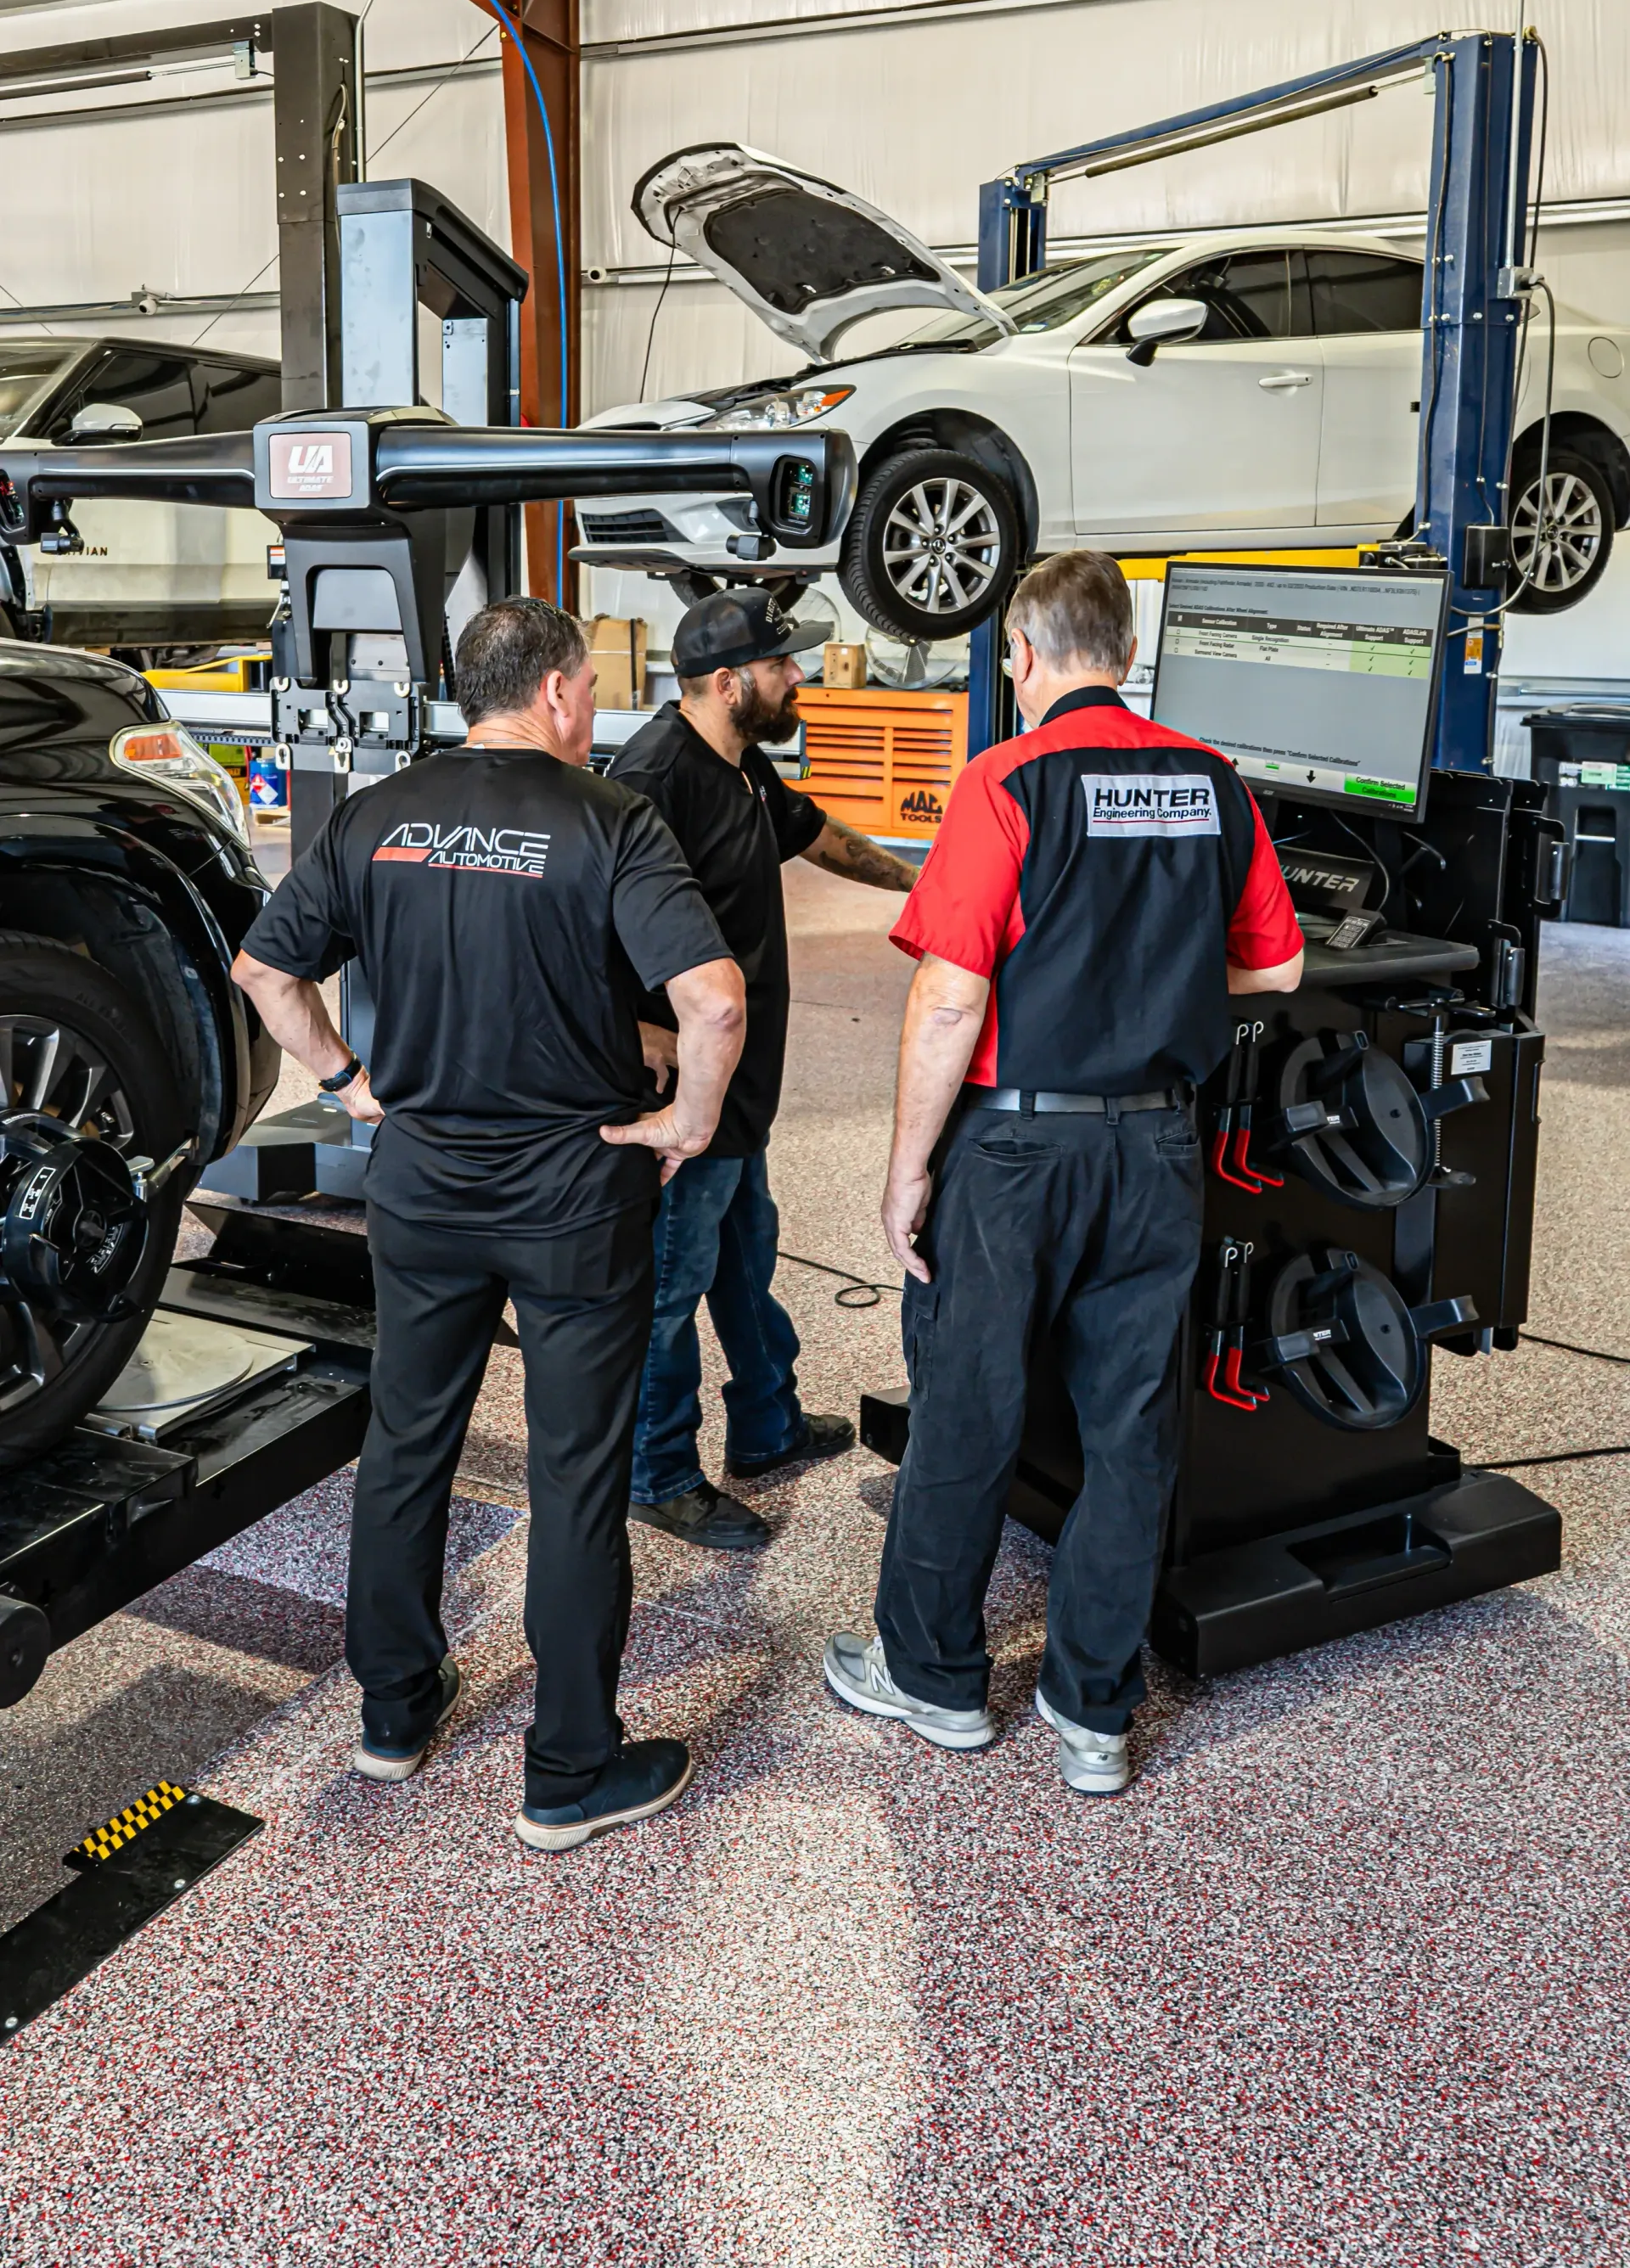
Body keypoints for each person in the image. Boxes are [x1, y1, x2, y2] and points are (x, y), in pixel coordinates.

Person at [232, 598, 745, 1855]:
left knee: (408, 1442)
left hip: (423, 1187)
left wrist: (353, 1085)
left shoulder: (377, 814)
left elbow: (262, 970)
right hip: (574, 1194)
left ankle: (396, 1716)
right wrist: (685, 1123)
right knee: (575, 1474)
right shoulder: (611, 819)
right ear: (563, 693)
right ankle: (569, 1770)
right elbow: (716, 999)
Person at [823, 550, 1303, 1796]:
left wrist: (904, 1170)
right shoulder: (1212, 783)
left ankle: (933, 1682)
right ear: (1129, 657)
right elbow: (1281, 970)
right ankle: (1094, 1712)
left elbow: (947, 997)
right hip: (1155, 1145)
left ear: (1023, 656)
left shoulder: (1007, 783)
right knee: (1133, 1429)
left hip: (1016, 1149)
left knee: (971, 1405)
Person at [610, 588, 919, 1551]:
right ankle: (657, 1471)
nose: (803, 676)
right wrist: (634, 1027)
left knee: (746, 1259)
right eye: (786, 664)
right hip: (688, 1093)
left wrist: (927, 880)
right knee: (671, 1281)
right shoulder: (655, 776)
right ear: (730, 679)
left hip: (744, 1084)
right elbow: (588, 919)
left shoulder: (743, 765)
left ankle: (768, 1424)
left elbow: (820, 835)